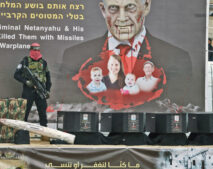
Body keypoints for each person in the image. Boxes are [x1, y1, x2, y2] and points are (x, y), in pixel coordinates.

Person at [61, 0, 193, 107]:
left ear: (146, 6)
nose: (122, 18)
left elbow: (177, 110)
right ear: (103, 10)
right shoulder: (73, 57)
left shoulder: (177, 59)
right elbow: (69, 107)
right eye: (113, 8)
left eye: (130, 7)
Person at [14, 43, 51, 127]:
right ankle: (23, 133)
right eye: (34, 50)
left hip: (41, 90)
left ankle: (44, 134)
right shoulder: (25, 61)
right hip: (28, 90)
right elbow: (16, 75)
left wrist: (48, 90)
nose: (36, 52)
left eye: (38, 50)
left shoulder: (44, 63)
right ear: (30, 50)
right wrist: (26, 81)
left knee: (42, 113)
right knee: (24, 113)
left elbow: (48, 78)